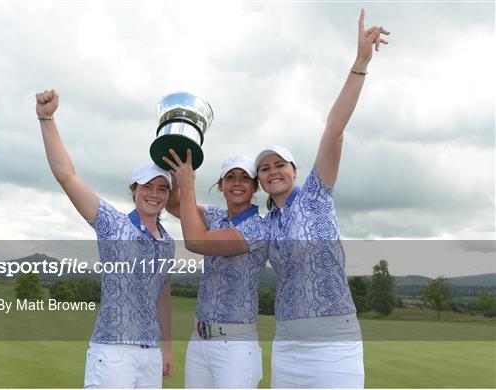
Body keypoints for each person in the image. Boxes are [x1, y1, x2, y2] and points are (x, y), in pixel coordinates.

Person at [254, 9, 390, 388]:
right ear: (260, 181)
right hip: (286, 342)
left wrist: (360, 62)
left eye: (280, 164)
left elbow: (334, 131)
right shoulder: (266, 224)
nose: (273, 171)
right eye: (265, 169)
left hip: (335, 342)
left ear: (295, 171)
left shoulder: (315, 194)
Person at [35, 89, 174, 388]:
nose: (154, 193)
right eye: (146, 186)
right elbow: (67, 176)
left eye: (162, 188)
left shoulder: (168, 242)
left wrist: (167, 348)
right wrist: (46, 118)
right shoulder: (113, 224)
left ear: (167, 195)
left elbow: (162, 296)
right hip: (113, 353)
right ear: (134, 189)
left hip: (149, 355)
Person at [163, 150, 269, 388]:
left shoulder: (259, 229)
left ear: (255, 187)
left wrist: (189, 187)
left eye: (244, 177)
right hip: (199, 339)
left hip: (235, 345)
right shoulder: (216, 215)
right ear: (221, 186)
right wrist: (176, 177)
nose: (237, 183)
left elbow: (195, 242)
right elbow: (174, 205)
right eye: (230, 177)